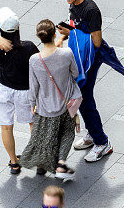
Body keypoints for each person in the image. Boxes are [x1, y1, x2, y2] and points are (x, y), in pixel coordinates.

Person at [56, 0, 114, 162]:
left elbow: (96, 42)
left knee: (84, 100)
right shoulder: (73, 4)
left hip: (89, 60)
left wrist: (71, 33)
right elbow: (76, 28)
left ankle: (102, 142)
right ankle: (92, 133)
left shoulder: (91, 10)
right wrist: (64, 36)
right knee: (81, 98)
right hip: (78, 57)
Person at [0, 7, 39, 174]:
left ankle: (14, 162)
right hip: (25, 93)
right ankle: (39, 160)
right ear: (18, 27)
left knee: (6, 127)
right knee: (33, 123)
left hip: (3, 90)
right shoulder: (29, 47)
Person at [19, 19, 81, 181]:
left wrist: (32, 105)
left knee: (43, 136)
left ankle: (40, 165)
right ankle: (61, 163)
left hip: (45, 107)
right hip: (66, 104)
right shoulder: (66, 53)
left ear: (39, 37)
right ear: (55, 34)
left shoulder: (34, 60)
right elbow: (75, 73)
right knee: (67, 133)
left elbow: (33, 87)